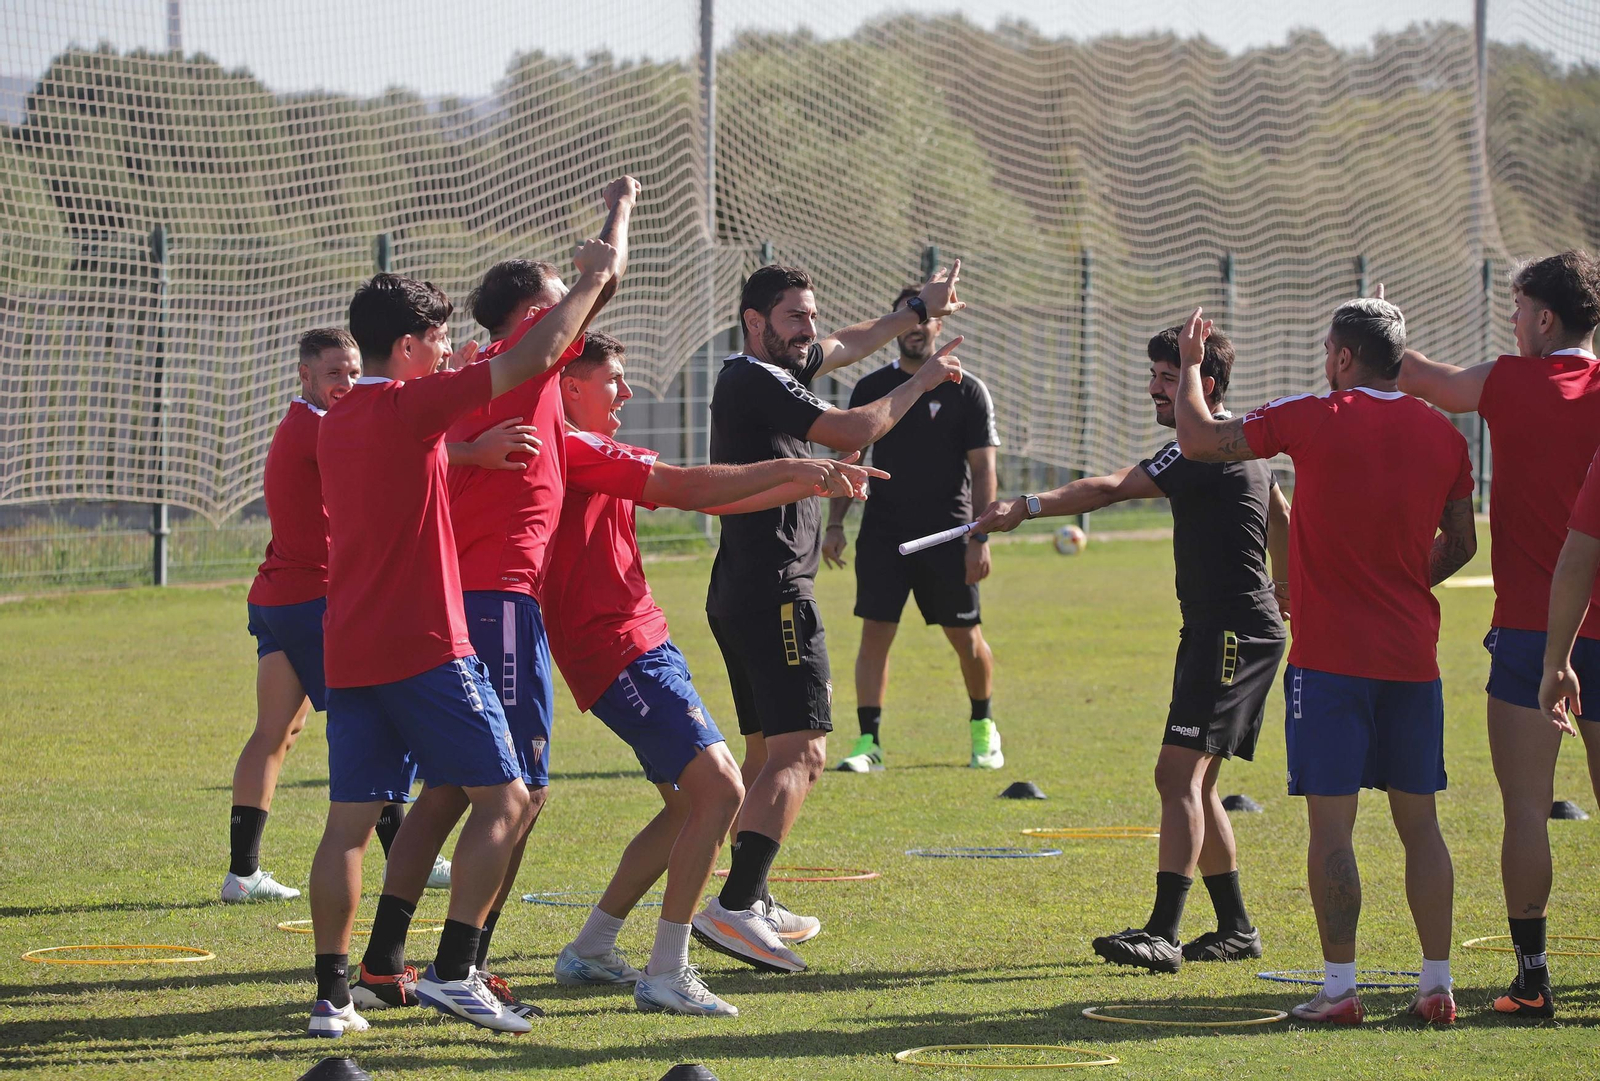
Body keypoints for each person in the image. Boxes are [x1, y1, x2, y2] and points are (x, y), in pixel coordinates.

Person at [305, 240, 617, 1038]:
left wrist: (467, 448)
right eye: (438, 340)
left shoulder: (336, 422)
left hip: (352, 650)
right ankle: (455, 968)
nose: (449, 351)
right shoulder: (413, 405)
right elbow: (540, 353)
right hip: (425, 645)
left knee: (349, 825)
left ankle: (335, 996)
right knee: (509, 799)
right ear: (406, 347)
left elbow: (420, 462)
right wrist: (592, 274)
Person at [545, 332, 882, 1015]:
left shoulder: (588, 447)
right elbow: (690, 487)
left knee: (688, 803)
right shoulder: (570, 448)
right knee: (722, 787)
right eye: (613, 378)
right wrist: (807, 470)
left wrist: (804, 478)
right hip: (613, 650)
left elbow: (714, 499)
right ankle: (668, 967)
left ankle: (591, 948)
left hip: (642, 638)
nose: (627, 392)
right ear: (569, 386)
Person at [1174, 298, 1476, 1026]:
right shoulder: (1445, 433)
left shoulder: (1314, 412)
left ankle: (1339, 989)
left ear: (1343, 357)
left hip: (1331, 663)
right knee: (1421, 825)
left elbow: (1197, 437)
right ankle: (1436, 985)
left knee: (1332, 831)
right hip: (1413, 659)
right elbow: (1463, 543)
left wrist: (1189, 365)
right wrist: (1399, 581)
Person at [974, 323, 1288, 971]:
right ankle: (1234, 928)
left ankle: (1163, 931)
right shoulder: (1233, 441)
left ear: (1207, 383)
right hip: (1224, 626)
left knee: (1176, 774)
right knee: (1195, 782)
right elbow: (1281, 511)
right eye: (1155, 375)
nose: (1154, 388)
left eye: (1169, 378)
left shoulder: (1207, 449)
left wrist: (1026, 505)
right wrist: (1286, 587)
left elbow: (1113, 487)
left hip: (1231, 630)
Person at [694, 262, 967, 972]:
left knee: (764, 754)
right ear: (756, 322)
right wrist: (923, 377)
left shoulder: (767, 366)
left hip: (742, 587)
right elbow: (855, 423)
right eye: (794, 319)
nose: (809, 331)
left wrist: (913, 310)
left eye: (809, 316)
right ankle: (736, 906)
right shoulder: (757, 376)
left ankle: (748, 896)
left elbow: (849, 341)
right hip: (775, 590)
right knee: (805, 751)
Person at [225, 329, 533, 904]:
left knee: (277, 732)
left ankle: (242, 873)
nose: (344, 384)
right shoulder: (327, 425)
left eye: (349, 371)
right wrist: (476, 450)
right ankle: (408, 853)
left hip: (275, 597)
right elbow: (404, 450)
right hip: (313, 597)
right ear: (306, 378)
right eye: (332, 374)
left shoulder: (307, 421)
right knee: (382, 727)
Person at [1399, 250, 1600, 1019]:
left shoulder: (1509, 382)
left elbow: (1421, 378)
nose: (1512, 322)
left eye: (1517, 309)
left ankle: (1532, 978)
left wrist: (1385, 324)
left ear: (1545, 319)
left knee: (1526, 810)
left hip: (1528, 634)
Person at [824, 286, 1004, 772]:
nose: (917, 328)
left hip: (949, 535)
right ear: (898, 325)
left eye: (924, 319)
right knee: (875, 634)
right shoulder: (870, 389)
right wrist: (836, 524)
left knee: (965, 637)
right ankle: (869, 743)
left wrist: (979, 537)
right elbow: (849, 459)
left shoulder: (968, 390)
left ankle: (984, 729)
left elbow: (985, 471)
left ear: (938, 326)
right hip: (883, 533)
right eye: (907, 319)